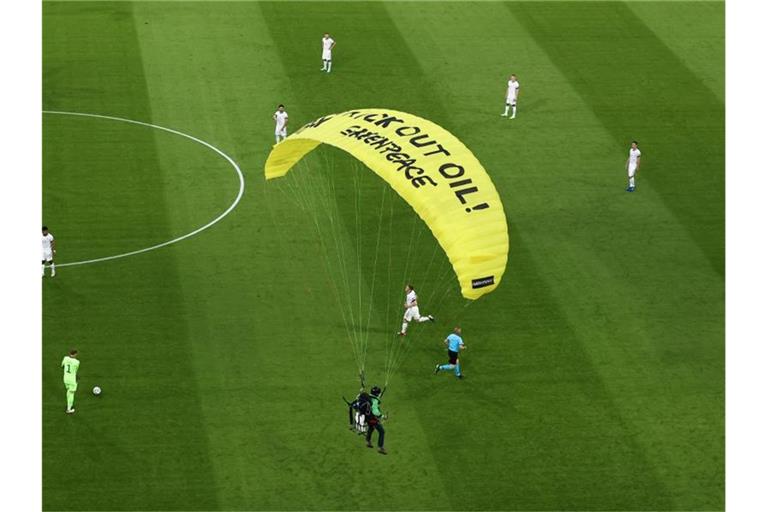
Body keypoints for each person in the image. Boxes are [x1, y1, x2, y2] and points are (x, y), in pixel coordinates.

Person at [365, 386, 387, 454]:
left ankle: (368, 441)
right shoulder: (375, 401)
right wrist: (382, 416)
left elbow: (377, 397)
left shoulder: (369, 397)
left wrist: (382, 391)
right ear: (376, 394)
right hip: (372, 418)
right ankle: (380, 448)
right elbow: (375, 411)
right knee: (382, 431)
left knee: (371, 428)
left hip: (367, 417)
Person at [62, 349, 80, 413]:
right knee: (71, 394)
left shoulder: (65, 358)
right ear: (75, 354)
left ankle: (69, 404)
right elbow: (75, 371)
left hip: (65, 378)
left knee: (68, 392)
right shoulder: (77, 362)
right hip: (72, 380)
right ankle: (69, 409)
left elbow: (62, 366)